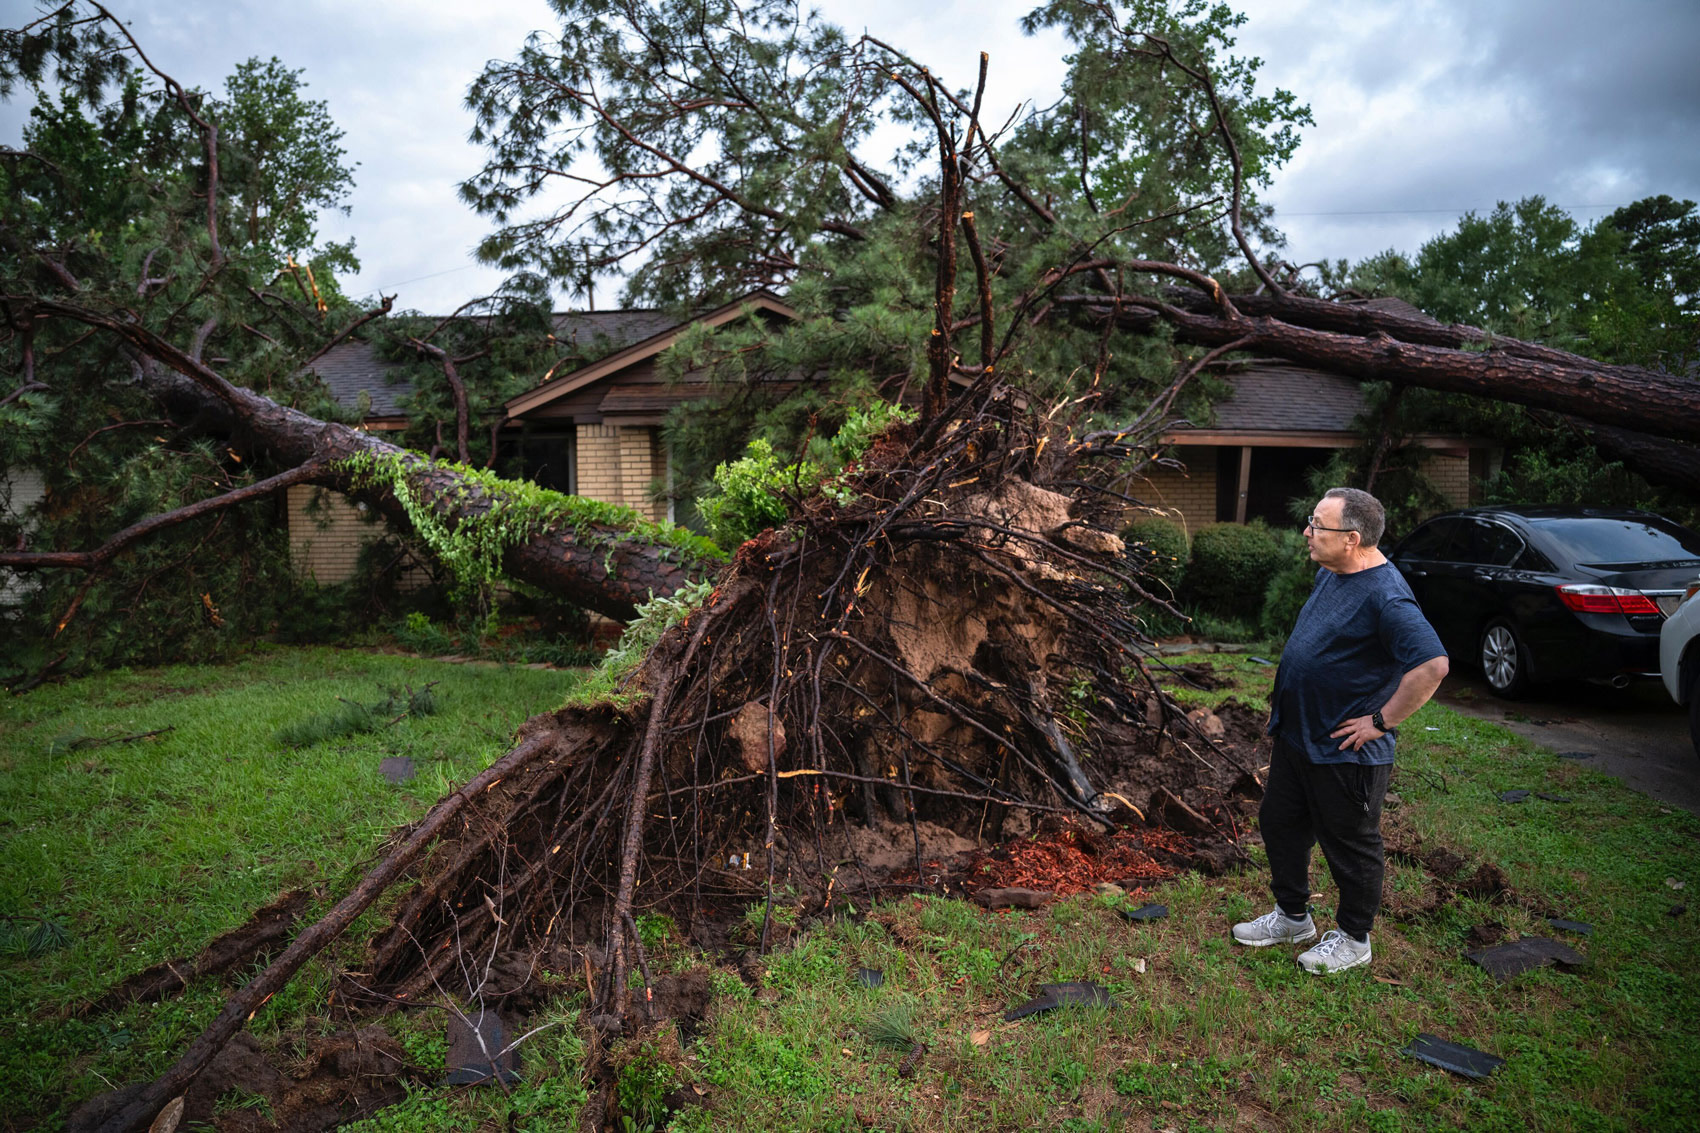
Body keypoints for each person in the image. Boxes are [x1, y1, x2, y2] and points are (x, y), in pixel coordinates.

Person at [1231, 487, 1449, 974]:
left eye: (1317, 526)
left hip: (1345, 750)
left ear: (1352, 539)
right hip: (1298, 737)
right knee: (1280, 824)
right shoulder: (1333, 572)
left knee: (1350, 846)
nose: (1307, 532)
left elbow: (1432, 665)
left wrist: (1380, 721)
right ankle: (1292, 917)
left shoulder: (1388, 598)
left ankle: (1354, 937)